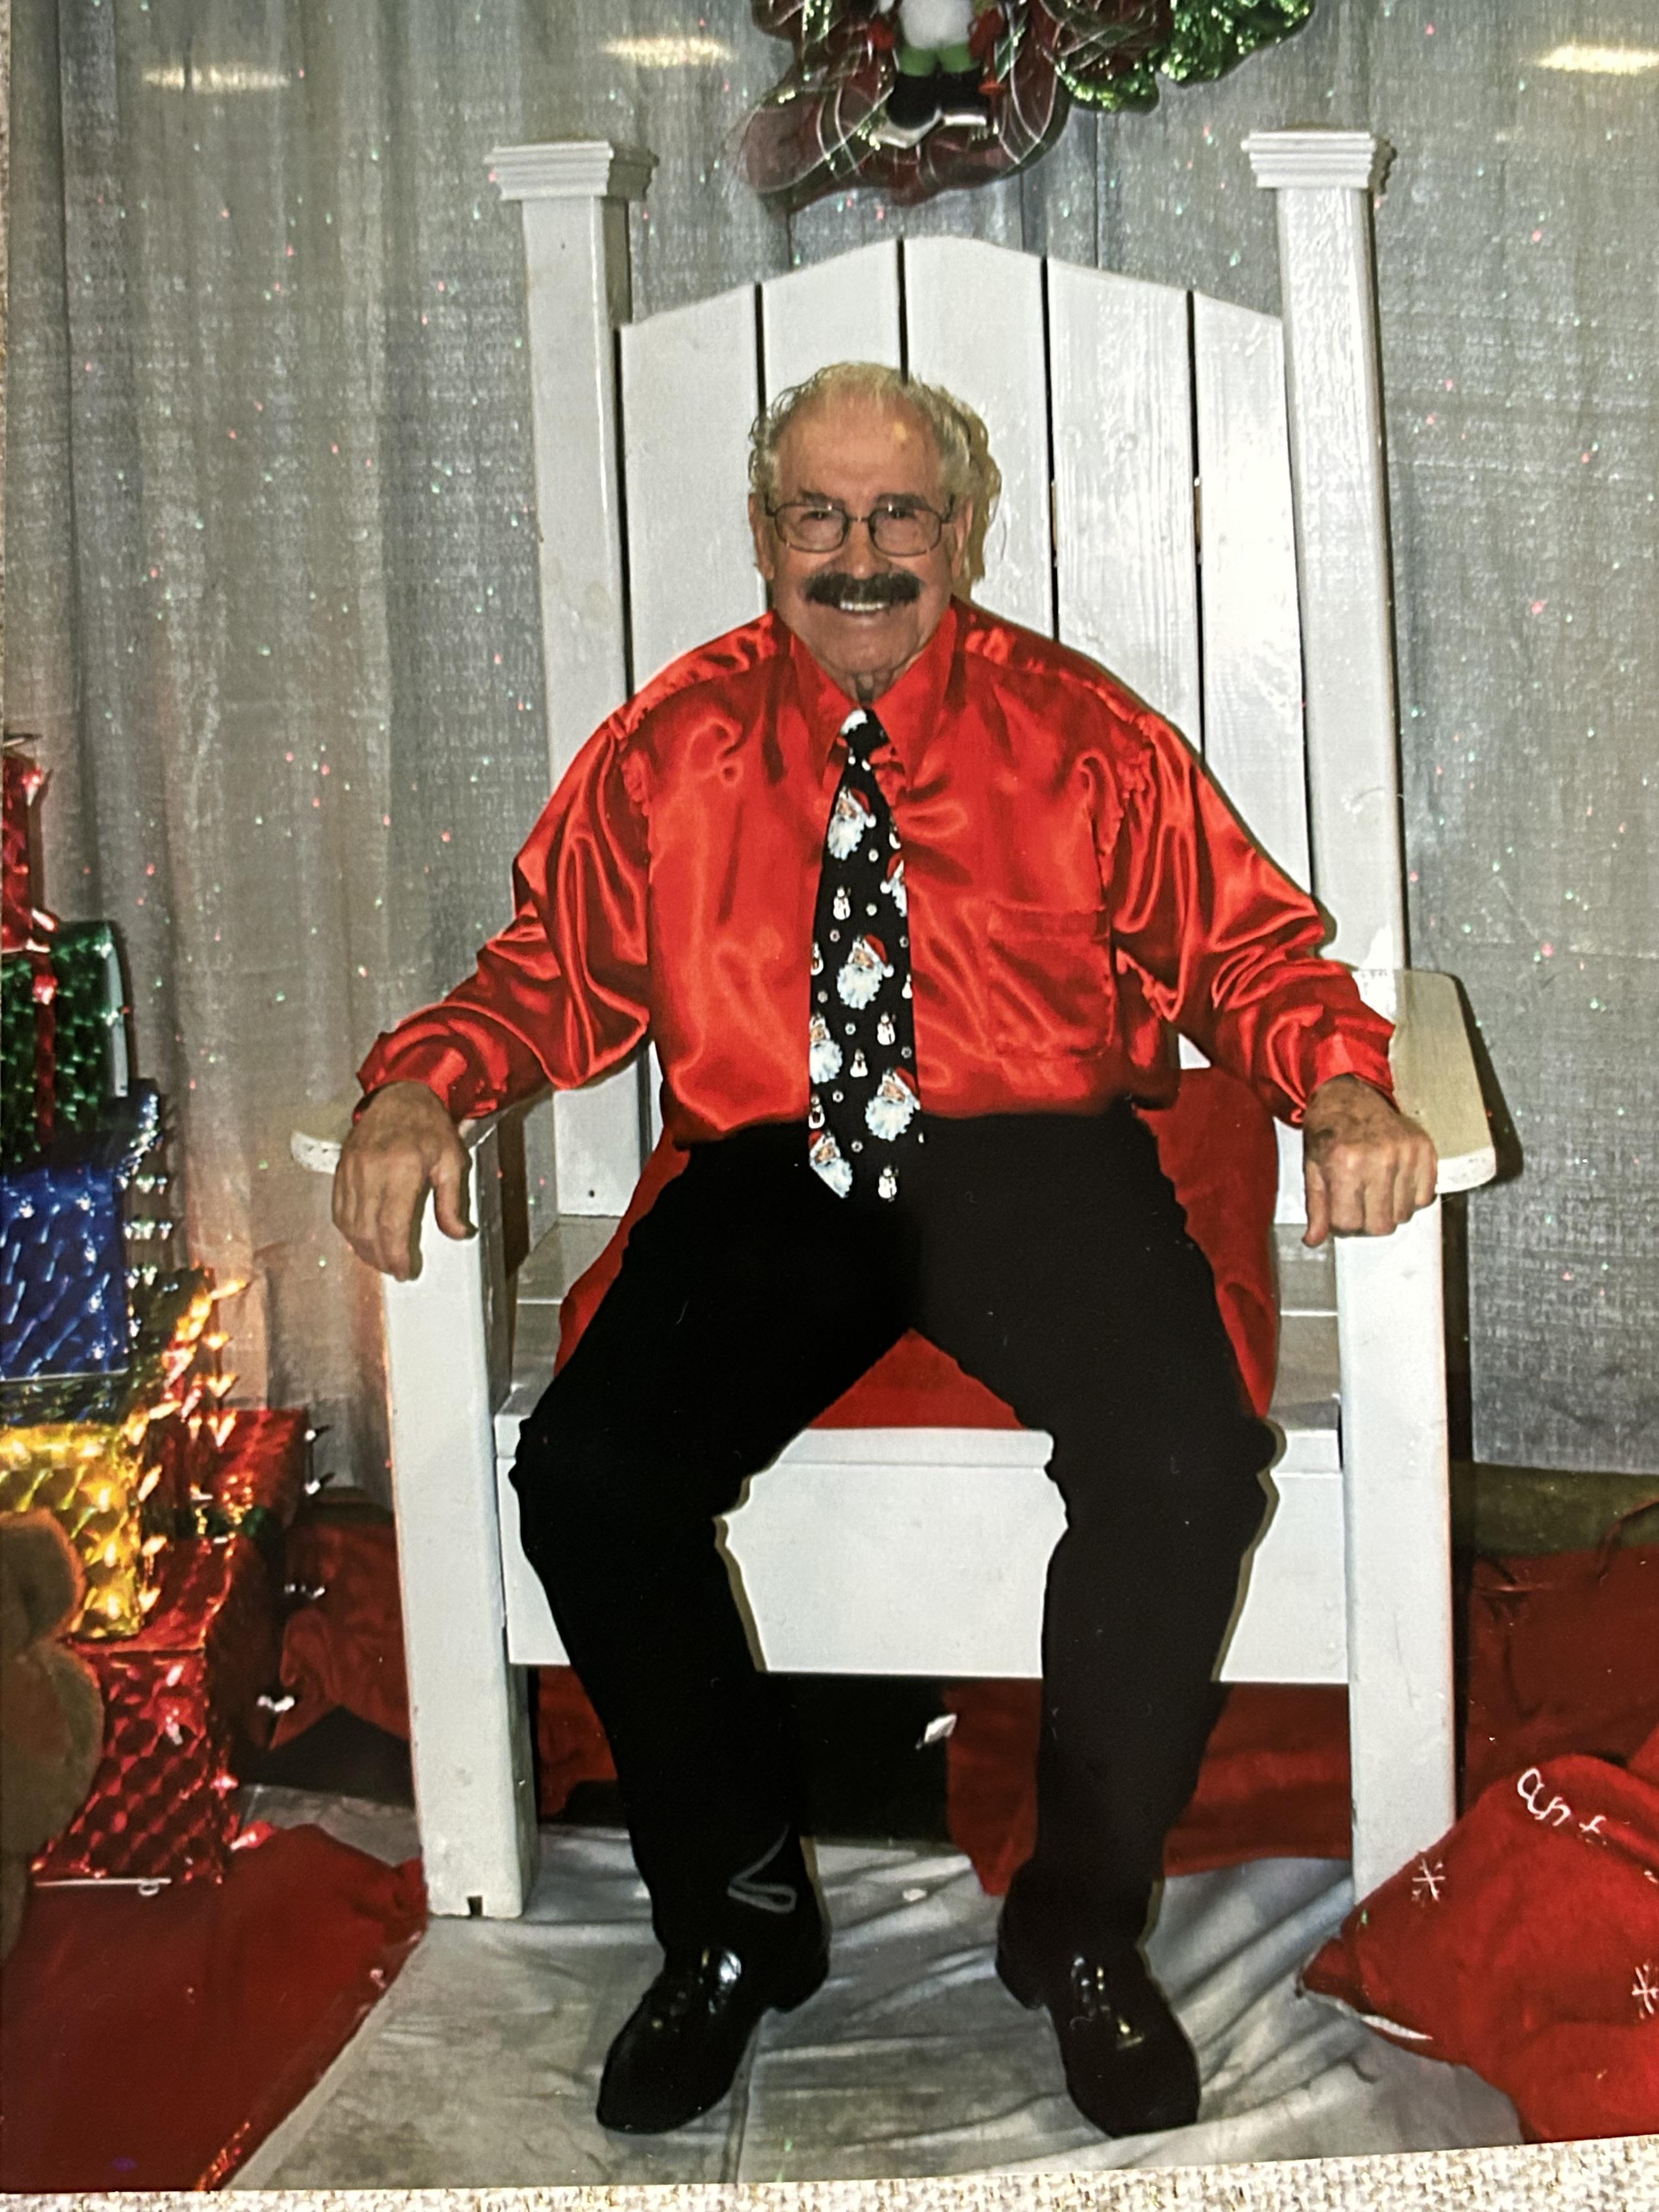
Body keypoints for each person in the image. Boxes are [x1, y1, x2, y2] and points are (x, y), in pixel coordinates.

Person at [334, 362, 1436, 2141]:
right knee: (594, 1469)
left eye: (898, 517)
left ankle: (1077, 1925)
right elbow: (550, 975)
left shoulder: (1083, 737)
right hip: (778, 1175)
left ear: (961, 531)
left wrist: (1345, 1094)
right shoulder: (675, 747)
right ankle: (736, 1913)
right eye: (819, 518)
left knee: (1182, 1462)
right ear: (766, 534)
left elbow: (1252, 955)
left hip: (1035, 1166)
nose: (860, 557)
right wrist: (419, 1087)